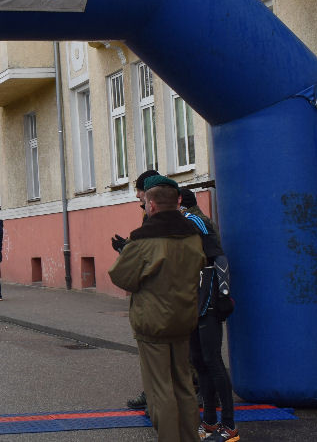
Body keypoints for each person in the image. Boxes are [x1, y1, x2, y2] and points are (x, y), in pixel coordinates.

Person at [108, 176, 205, 442]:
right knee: (184, 384)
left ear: (151, 205)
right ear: (177, 203)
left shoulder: (144, 239)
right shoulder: (193, 236)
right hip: (184, 318)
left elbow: (122, 276)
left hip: (153, 321)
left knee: (159, 389)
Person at [179, 189, 239, 442]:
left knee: (212, 360)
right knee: (199, 360)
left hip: (209, 300)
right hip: (191, 301)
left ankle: (229, 425)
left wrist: (224, 293)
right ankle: (211, 420)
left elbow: (219, 255)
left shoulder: (195, 221)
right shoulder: (177, 225)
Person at [111, 169, 158, 410]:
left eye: (140, 191)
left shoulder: (162, 222)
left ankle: (155, 401)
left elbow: (147, 255)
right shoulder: (157, 220)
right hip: (169, 304)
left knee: (156, 358)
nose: (137, 196)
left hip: (155, 303)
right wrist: (127, 247)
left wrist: (126, 253)